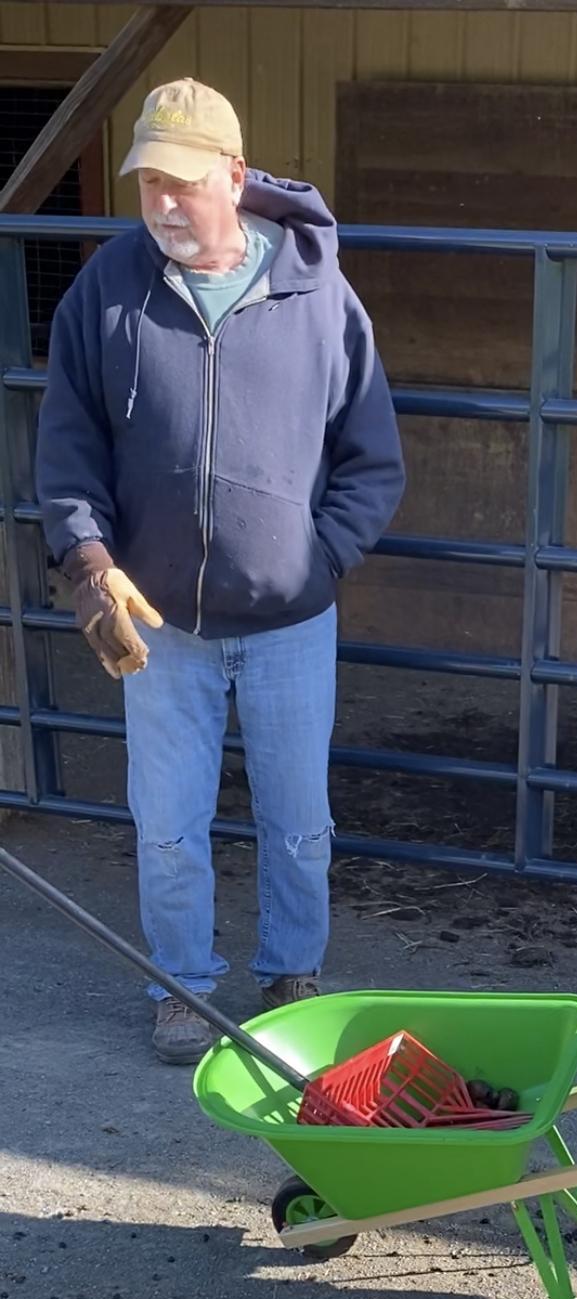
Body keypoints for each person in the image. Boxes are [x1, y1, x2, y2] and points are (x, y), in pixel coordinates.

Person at [35, 78, 405, 1063]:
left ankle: (293, 974)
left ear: (235, 179)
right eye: (147, 180)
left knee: (296, 820)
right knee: (165, 825)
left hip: (290, 618)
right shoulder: (104, 292)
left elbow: (373, 456)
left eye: (182, 182)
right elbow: (67, 449)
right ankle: (182, 990)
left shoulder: (318, 293)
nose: (161, 202)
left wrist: (318, 563)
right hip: (159, 624)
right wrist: (90, 563)